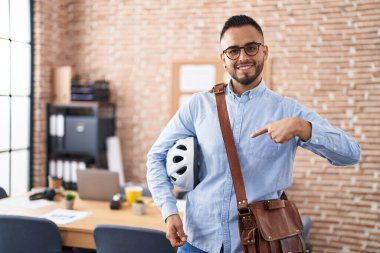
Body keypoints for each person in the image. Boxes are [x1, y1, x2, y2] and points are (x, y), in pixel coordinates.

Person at [146, 14, 361, 253]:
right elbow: (156, 156)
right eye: (233, 51)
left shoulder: (288, 110)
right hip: (196, 243)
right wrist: (169, 212)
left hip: (260, 245)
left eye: (251, 48)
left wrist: (303, 128)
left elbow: (351, 153)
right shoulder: (198, 105)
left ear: (264, 52)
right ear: (223, 58)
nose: (243, 57)